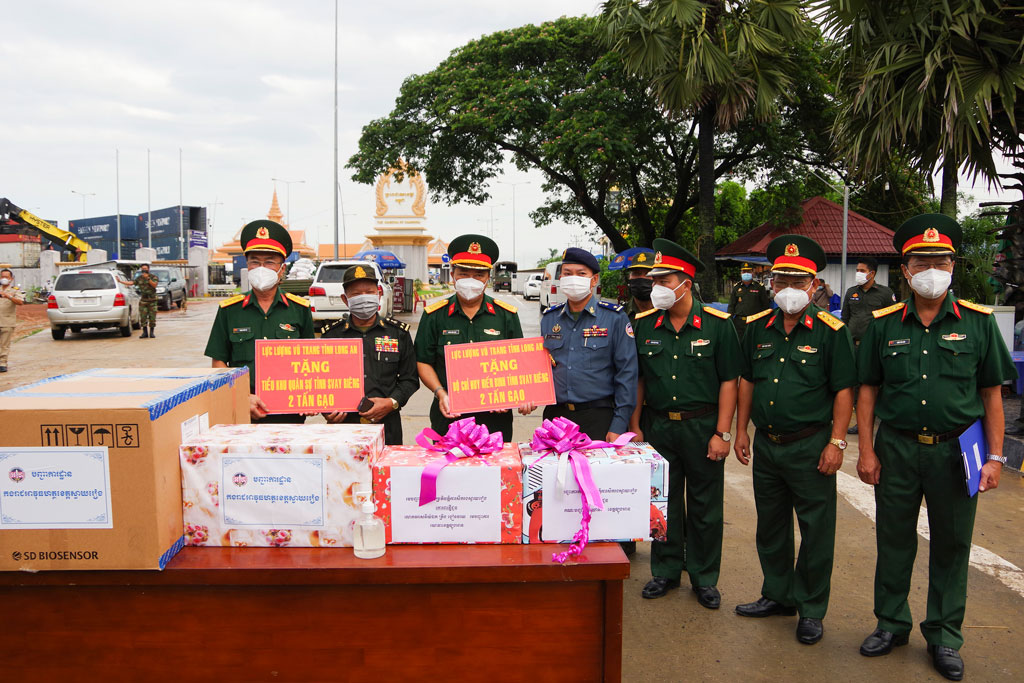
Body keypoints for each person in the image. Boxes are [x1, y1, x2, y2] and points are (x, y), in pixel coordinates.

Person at [855, 214, 1016, 681]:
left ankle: (944, 635)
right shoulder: (884, 324)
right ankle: (891, 623)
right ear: (905, 270)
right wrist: (865, 450)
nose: (932, 269)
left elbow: (992, 397)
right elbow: (867, 392)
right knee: (894, 539)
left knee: (951, 545)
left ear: (952, 267)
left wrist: (995, 457)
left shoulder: (979, 324)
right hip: (898, 450)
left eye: (941, 261)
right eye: (922, 262)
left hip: (957, 451)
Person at [732, 235, 857, 646]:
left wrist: (837, 443)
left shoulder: (830, 331)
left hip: (810, 444)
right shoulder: (757, 328)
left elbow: (843, 390)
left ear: (814, 284)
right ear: (771, 281)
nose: (789, 287)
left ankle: (812, 609)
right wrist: (740, 431)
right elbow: (747, 381)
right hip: (767, 443)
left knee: (816, 530)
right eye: (782, 278)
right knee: (770, 527)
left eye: (798, 280)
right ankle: (777, 594)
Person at [629, 238, 740, 609]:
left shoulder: (718, 325)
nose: (656, 286)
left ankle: (704, 577)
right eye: (654, 279)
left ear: (686, 284)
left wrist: (722, 432)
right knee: (664, 503)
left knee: (705, 506)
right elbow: (639, 380)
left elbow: (729, 381)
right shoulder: (644, 325)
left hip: (702, 426)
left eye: (665, 279)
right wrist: (636, 426)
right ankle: (665, 571)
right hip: (658, 426)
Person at [415, 234, 526, 441]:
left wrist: (509, 393)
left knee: (495, 473)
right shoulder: (435, 315)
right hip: (448, 415)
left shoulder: (506, 315)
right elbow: (423, 361)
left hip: (495, 419)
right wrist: (440, 392)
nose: (471, 281)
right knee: (447, 472)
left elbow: (519, 362)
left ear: (488, 278)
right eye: (464, 274)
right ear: (453, 275)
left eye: (479, 275)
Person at [204, 220, 315, 423]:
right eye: (255, 261)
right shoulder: (229, 310)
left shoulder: (300, 310)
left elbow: (311, 362)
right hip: (243, 411)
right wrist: (239, 397)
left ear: (282, 268)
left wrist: (310, 397)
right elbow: (218, 364)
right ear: (247, 265)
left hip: (290, 413)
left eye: (269, 261)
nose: (261, 268)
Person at [541, 247, 637, 441]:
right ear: (561, 278)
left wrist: (619, 424)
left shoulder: (614, 318)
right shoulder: (549, 319)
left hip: (599, 418)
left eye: (581, 273)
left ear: (593, 280)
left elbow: (627, 373)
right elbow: (541, 367)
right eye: (567, 273)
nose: (573, 278)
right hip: (556, 418)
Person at [321, 265, 419, 444]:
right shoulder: (331, 336)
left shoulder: (398, 333)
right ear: (345, 299)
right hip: (343, 427)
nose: (363, 298)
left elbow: (410, 380)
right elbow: (320, 381)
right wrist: (326, 410)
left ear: (379, 294)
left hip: (387, 425)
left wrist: (392, 402)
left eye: (369, 292)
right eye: (356, 294)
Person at [841, 257, 896, 434]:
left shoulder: (885, 293)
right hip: (854, 346)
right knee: (855, 385)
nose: (858, 274)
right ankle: (861, 421)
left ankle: (881, 418)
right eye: (857, 270)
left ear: (872, 273)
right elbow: (845, 318)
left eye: (862, 270)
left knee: (875, 383)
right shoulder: (851, 292)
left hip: (875, 347)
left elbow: (892, 320)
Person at [728, 264, 771, 338]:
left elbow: (765, 306)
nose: (746, 274)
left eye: (748, 271)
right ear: (740, 273)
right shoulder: (736, 287)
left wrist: (764, 321)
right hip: (739, 323)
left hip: (754, 321)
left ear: (753, 272)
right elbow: (731, 305)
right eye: (744, 271)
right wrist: (729, 320)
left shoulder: (759, 287)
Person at [0, 268, 26, 373]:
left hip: (7, 321)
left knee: (4, 344)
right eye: (2, 276)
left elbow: (20, 302)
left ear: (11, 278)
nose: (4, 279)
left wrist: (8, 296)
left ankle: (2, 363)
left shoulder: (15, 290)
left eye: (7, 277)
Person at [623, 249, 656, 322]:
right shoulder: (620, 315)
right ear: (629, 277)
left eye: (648, 274)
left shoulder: (669, 314)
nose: (642, 278)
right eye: (636, 273)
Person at [134, 263, 159, 338]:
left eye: (145, 268)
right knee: (143, 317)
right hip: (143, 300)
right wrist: (120, 281)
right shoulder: (139, 278)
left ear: (148, 269)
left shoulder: (153, 277)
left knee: (152, 317)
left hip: (152, 300)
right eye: (143, 268)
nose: (144, 270)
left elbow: (154, 285)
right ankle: (144, 333)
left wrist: (148, 278)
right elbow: (132, 283)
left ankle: (151, 333)